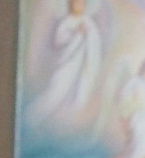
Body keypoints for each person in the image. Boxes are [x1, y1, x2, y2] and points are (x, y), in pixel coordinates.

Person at [26, 0, 102, 129]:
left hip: (82, 66)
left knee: (77, 94)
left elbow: (95, 44)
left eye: (81, 3)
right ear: (70, 5)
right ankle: (34, 116)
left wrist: (87, 35)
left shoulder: (89, 23)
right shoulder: (66, 22)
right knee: (55, 91)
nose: (78, 6)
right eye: (75, 3)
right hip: (66, 64)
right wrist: (75, 33)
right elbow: (58, 41)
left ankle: (63, 123)